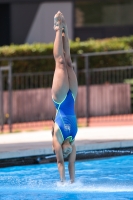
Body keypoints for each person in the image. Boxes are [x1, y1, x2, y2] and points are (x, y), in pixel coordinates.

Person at [51, 11, 78, 183]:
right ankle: (65, 30)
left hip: (60, 100)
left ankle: (56, 29)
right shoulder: (73, 140)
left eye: (65, 151)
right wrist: (73, 183)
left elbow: (61, 163)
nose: (68, 152)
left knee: (60, 63)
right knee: (68, 61)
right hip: (72, 97)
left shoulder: (58, 137)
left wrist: (62, 183)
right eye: (70, 152)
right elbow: (72, 165)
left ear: (60, 148)